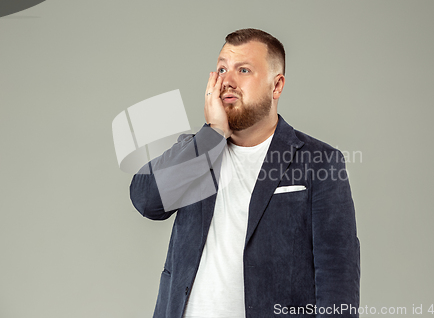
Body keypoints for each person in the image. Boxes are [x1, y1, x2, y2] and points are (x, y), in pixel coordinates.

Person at [130, 28, 360, 318]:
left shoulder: (319, 162)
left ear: (276, 86)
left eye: (244, 70)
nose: (227, 80)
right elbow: (146, 200)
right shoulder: (198, 151)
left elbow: (338, 278)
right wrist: (212, 135)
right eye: (222, 69)